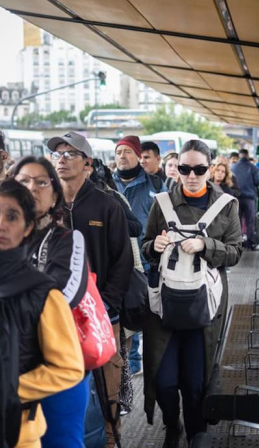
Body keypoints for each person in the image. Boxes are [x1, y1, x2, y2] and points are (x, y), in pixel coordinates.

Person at [142, 140, 243, 446]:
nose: (191, 175)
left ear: (210, 169)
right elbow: (146, 245)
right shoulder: (161, 203)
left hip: (205, 306)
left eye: (199, 169)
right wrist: (154, 247)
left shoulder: (226, 205)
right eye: (185, 168)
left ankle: (197, 431)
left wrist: (205, 245)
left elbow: (236, 252)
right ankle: (172, 424)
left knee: (195, 381)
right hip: (166, 305)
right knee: (164, 380)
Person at [0, 179, 84, 448]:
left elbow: (68, 368)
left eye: (12, 217)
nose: (0, 225)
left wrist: (5, 389)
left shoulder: (43, 293)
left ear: (28, 228)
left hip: (18, 432)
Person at [49, 131, 132, 448]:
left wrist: (105, 307)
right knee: (65, 401)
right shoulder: (47, 205)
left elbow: (123, 262)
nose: (63, 159)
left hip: (101, 318)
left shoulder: (106, 205)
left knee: (108, 402)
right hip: (56, 320)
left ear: (88, 163)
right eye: (58, 154)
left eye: (71, 154)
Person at [12, 156, 90, 447]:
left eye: (41, 182)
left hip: (58, 367)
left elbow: (64, 294)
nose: (32, 188)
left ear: (55, 193)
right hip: (13, 367)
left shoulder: (68, 239)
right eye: (23, 181)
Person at [113, 136, 166, 377]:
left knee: (151, 312)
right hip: (118, 261)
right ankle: (132, 365)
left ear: (138, 156)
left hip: (150, 260)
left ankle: (153, 359)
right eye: (118, 152)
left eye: (127, 152)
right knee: (127, 314)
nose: (122, 156)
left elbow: (166, 219)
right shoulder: (107, 185)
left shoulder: (155, 185)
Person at [232, 149, 259, 249]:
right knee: (250, 221)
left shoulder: (233, 167)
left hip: (236, 198)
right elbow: (258, 182)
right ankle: (250, 243)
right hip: (249, 198)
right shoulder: (253, 168)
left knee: (237, 221)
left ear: (239, 156)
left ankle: (238, 243)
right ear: (248, 155)